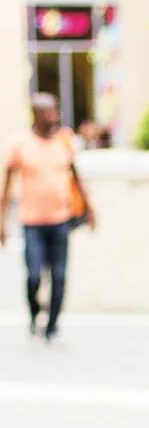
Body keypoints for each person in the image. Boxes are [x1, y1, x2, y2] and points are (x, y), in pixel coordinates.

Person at [0, 93, 96, 340]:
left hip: (60, 220)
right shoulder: (19, 144)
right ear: (36, 114)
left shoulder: (64, 142)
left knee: (59, 275)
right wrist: (1, 222)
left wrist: (89, 207)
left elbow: (76, 176)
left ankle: (52, 325)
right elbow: (7, 186)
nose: (55, 115)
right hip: (31, 222)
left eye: (55, 110)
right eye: (49, 111)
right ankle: (34, 312)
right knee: (33, 275)